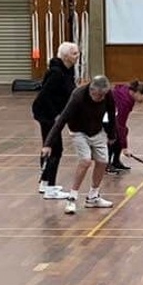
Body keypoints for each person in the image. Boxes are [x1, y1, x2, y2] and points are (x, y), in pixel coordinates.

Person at [43, 75, 117, 215]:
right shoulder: (78, 96)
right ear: (91, 90)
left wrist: (112, 134)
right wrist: (48, 144)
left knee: (103, 161)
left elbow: (112, 113)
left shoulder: (107, 95)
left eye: (104, 95)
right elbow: (61, 120)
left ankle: (93, 197)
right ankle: (72, 198)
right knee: (85, 160)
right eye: (99, 95)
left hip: (97, 131)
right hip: (78, 131)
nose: (102, 98)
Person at [32, 42, 80, 200]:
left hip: (54, 113)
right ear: (65, 56)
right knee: (55, 148)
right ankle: (50, 189)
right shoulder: (56, 73)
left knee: (52, 146)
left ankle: (45, 183)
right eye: (74, 53)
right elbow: (44, 97)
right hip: (46, 114)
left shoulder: (68, 70)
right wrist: (55, 116)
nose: (77, 56)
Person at [107, 80, 143, 174]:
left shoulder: (128, 93)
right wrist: (125, 147)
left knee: (123, 131)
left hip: (109, 114)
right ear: (138, 92)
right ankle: (106, 164)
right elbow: (120, 124)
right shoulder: (124, 102)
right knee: (114, 133)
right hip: (100, 115)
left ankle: (115, 162)